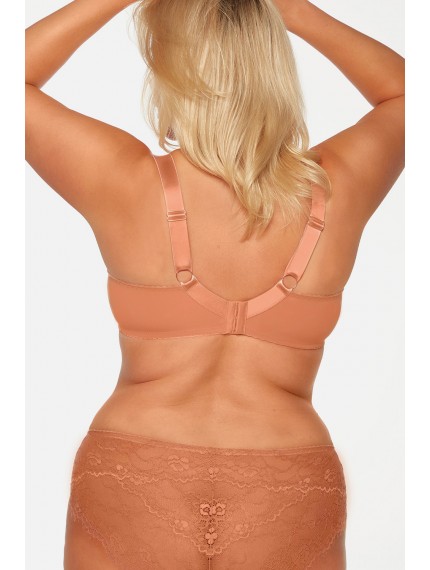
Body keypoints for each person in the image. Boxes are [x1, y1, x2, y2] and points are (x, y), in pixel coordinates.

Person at [25, 0, 405, 568]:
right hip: (288, 483)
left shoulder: (123, 179)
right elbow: (408, 95)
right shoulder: (336, 188)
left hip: (133, 475)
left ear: (173, 73)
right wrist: (292, 10)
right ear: (273, 63)